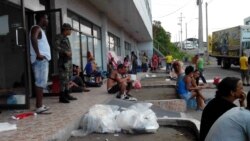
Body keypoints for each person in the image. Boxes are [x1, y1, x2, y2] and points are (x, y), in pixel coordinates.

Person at [200, 77, 246, 141]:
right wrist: (242, 104)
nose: (243, 91)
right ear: (232, 92)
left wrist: (242, 102)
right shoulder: (231, 110)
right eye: (241, 88)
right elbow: (244, 120)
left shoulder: (213, 102)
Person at [30, 13, 51, 113]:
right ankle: (39, 107)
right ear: (42, 18)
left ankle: (40, 105)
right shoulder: (36, 28)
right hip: (40, 60)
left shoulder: (39, 29)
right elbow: (33, 38)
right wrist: (38, 54)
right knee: (40, 83)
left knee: (41, 83)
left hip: (42, 60)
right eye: (47, 18)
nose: (48, 21)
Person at [55, 23, 77, 103]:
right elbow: (55, 46)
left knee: (68, 79)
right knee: (63, 80)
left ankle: (67, 94)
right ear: (65, 30)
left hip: (68, 61)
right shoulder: (59, 37)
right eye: (70, 29)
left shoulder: (66, 38)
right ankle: (62, 97)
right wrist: (65, 52)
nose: (70, 31)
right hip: (63, 61)